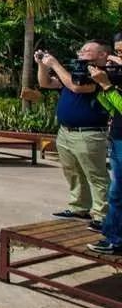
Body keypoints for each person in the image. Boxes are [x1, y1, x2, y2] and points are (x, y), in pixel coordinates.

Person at [38, 43, 111, 223]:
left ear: (102, 54)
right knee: (73, 172)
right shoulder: (75, 72)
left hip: (89, 133)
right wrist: (42, 65)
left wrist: (54, 64)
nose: (82, 52)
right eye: (81, 50)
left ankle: (102, 215)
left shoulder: (101, 74)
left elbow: (77, 87)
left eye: (87, 50)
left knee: (96, 175)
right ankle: (79, 207)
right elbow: (45, 83)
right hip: (66, 132)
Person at [87, 62, 122, 254]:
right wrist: (101, 89)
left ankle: (115, 240)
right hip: (116, 139)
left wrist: (108, 86)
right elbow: (113, 109)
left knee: (118, 194)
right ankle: (112, 232)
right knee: (116, 193)